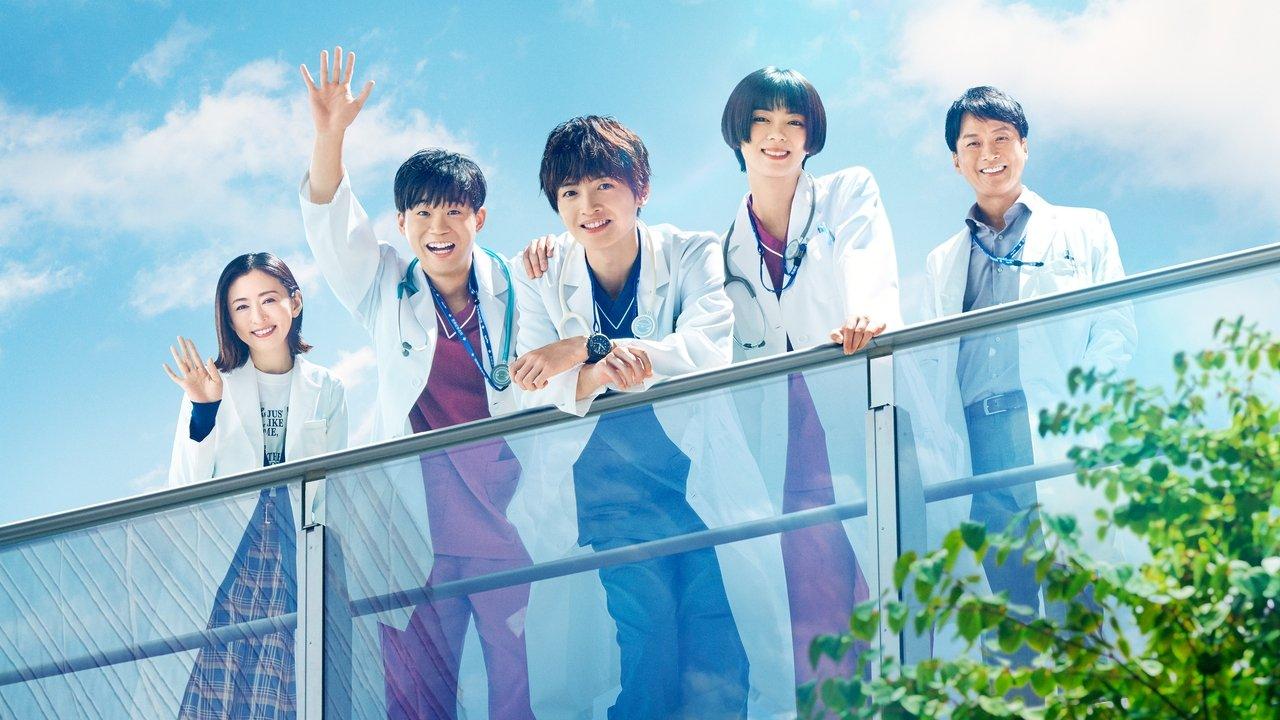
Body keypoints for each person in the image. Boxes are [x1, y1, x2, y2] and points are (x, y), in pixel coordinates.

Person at [511, 115, 794, 719]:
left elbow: (705, 349)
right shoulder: (539, 272)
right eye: (569, 192)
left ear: (639, 188)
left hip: (697, 484)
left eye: (603, 186)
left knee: (720, 649)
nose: (587, 207)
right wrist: (594, 366)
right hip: (611, 499)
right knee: (650, 644)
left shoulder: (690, 251)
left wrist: (585, 354)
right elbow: (533, 387)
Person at [298, 47, 533, 720]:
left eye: (454, 212)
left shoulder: (522, 286)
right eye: (422, 214)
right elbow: (331, 225)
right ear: (401, 225)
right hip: (415, 526)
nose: (438, 229)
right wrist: (331, 135)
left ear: (479, 218)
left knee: (516, 683)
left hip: (501, 519)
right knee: (416, 691)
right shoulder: (383, 286)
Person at [922, 85, 1136, 663]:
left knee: (1080, 608)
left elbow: (1114, 330)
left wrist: (1086, 416)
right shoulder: (942, 260)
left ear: (1024, 147)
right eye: (973, 142)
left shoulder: (1084, 228)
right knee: (1006, 624)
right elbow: (932, 365)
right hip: (979, 448)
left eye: (1002, 138)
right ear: (956, 160)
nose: (989, 152)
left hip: (1056, 431)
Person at [166, 251, 348, 718]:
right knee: (219, 691)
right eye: (241, 306)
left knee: (289, 689)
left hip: (297, 553)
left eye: (268, 300)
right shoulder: (213, 384)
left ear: (295, 302)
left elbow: (336, 488)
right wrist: (204, 408)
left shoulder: (327, 387)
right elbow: (182, 488)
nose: (258, 317)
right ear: (229, 318)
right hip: (234, 557)